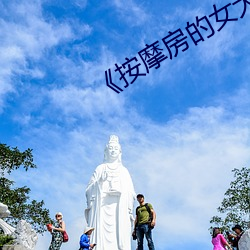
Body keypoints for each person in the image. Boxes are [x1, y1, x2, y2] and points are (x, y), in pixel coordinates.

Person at [85, 135, 136, 250]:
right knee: (100, 237)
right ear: (106, 151)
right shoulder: (100, 169)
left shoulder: (124, 171)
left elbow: (131, 193)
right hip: (101, 208)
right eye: (111, 148)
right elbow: (88, 190)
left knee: (119, 237)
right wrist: (100, 181)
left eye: (115, 149)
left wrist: (122, 192)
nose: (113, 151)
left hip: (119, 209)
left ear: (120, 152)